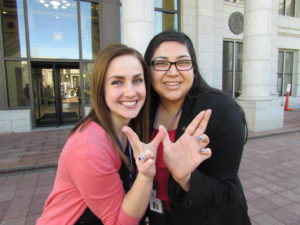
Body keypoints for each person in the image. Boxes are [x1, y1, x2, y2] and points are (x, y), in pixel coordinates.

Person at [36, 43, 211, 225]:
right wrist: (145, 176)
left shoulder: (129, 129)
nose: (130, 92)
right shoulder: (89, 148)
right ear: (101, 89)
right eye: (117, 82)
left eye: (137, 80)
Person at [144, 31, 252, 225]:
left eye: (183, 62)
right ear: (148, 69)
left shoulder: (222, 111)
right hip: (160, 217)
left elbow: (224, 189)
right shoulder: (142, 111)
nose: (172, 71)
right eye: (161, 63)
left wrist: (186, 178)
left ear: (193, 67)